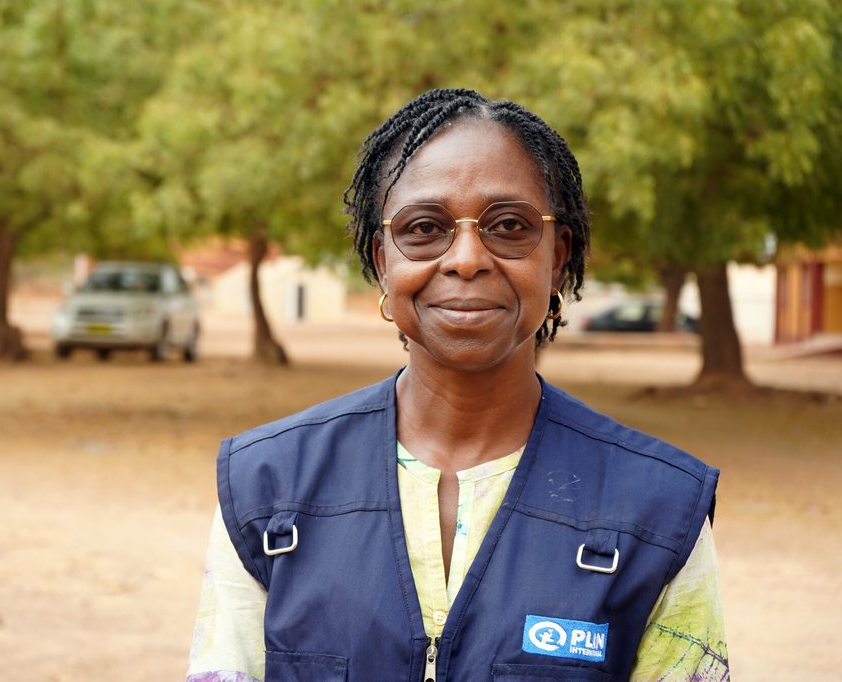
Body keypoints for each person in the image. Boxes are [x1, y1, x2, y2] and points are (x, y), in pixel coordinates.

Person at [187, 89, 728, 682]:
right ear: (383, 258)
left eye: (509, 226)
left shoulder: (659, 511)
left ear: (557, 257)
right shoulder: (267, 489)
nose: (467, 258)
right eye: (424, 227)